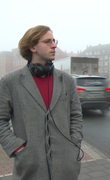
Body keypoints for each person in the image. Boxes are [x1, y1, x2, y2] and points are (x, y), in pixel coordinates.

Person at [0, 25, 83, 180]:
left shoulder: (67, 81)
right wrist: (16, 147)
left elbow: (76, 116)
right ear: (32, 47)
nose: (54, 45)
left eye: (54, 40)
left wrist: (74, 143)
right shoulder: (9, 82)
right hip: (29, 168)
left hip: (66, 167)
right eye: (47, 42)